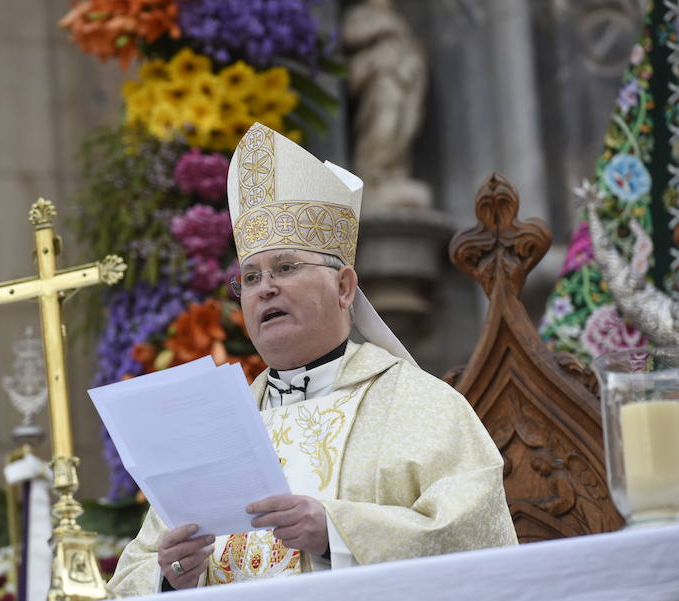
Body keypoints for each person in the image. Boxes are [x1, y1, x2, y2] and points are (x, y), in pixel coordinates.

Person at [107, 123, 517, 596]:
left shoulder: (421, 406)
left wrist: (336, 532)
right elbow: (132, 573)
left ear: (344, 287)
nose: (266, 288)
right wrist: (170, 576)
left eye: (286, 267)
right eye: (251, 277)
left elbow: (477, 541)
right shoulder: (214, 429)